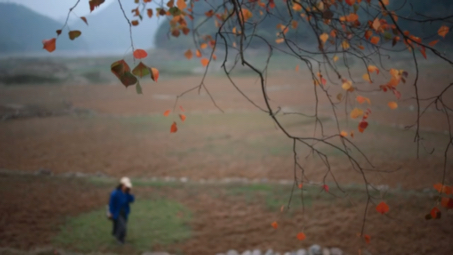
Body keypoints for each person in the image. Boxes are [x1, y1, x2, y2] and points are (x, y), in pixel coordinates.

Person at [107, 177, 135, 244]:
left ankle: (122, 239)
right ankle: (119, 239)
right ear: (122, 185)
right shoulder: (115, 193)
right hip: (117, 212)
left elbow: (132, 200)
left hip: (124, 212)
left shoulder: (127, 193)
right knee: (122, 226)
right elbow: (111, 203)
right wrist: (111, 212)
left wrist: (130, 193)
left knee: (123, 225)